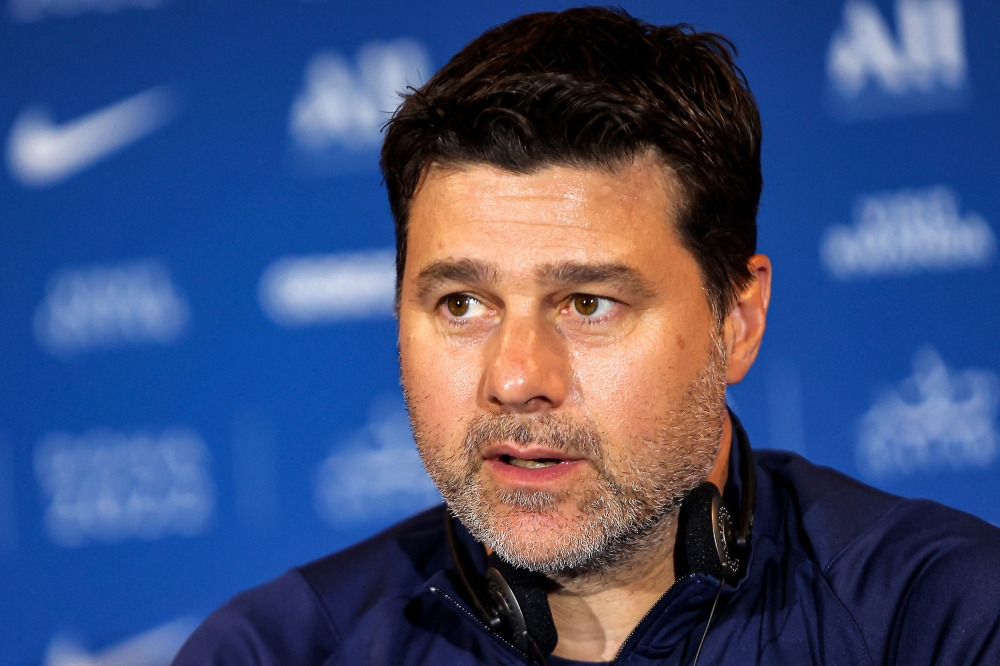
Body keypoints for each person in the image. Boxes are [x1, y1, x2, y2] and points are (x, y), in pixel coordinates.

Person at [173, 7, 1000, 665]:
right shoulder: (274, 650)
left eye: (588, 303)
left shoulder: (941, 623)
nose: (517, 376)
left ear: (737, 321)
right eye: (463, 304)